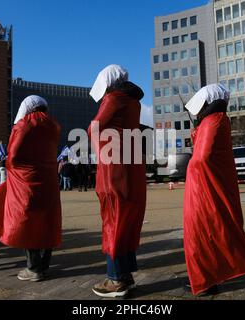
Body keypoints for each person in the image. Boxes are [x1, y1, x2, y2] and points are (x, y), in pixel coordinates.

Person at [183, 84, 245, 296]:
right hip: (205, 186)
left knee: (203, 233)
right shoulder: (215, 121)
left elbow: (202, 158)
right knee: (210, 232)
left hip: (204, 188)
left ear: (206, 102)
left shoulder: (214, 121)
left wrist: (192, 166)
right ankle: (207, 279)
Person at [0, 96, 62, 282]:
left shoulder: (23, 125)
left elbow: (12, 156)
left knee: (28, 222)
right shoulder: (54, 125)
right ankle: (44, 266)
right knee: (47, 222)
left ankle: (33, 269)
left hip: (26, 182)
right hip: (48, 181)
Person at [88, 65, 147, 298]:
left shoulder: (113, 98)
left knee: (113, 218)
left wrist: (100, 154)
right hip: (132, 166)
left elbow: (94, 128)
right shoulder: (134, 102)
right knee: (127, 219)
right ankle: (125, 274)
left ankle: (114, 280)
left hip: (115, 167)